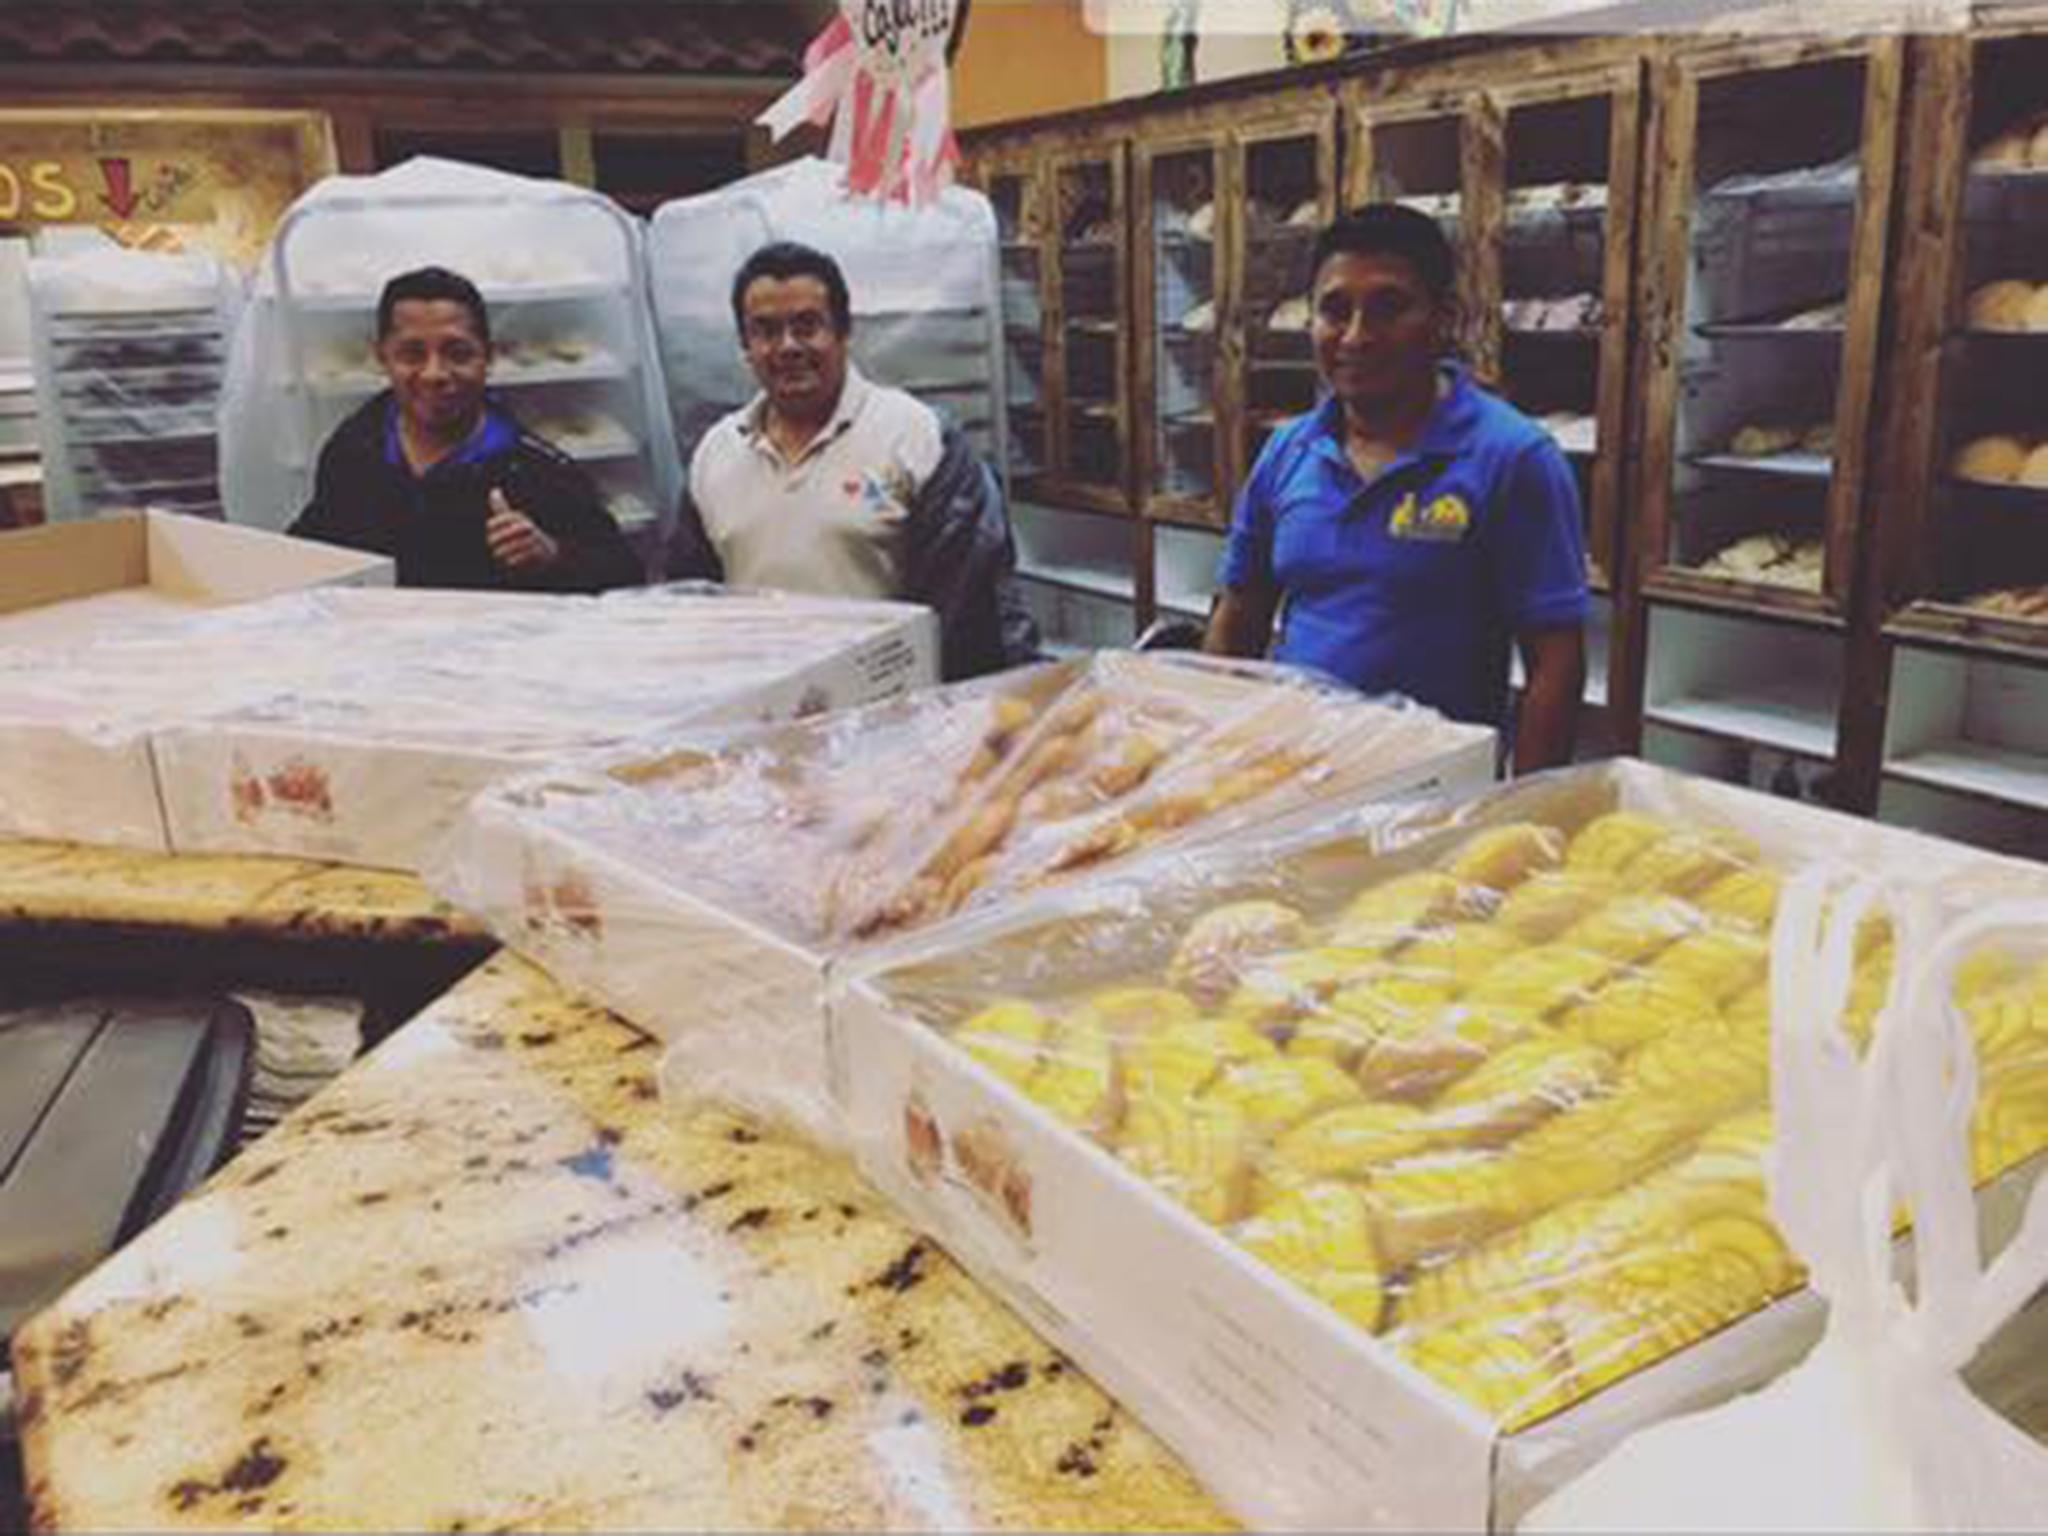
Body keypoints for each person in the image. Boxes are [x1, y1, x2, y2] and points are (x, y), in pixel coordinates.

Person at [1205, 206, 1589, 773]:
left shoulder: (1513, 457)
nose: (1357, 336)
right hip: (1295, 773)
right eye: (1335, 311)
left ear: (1445, 319)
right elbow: (1240, 615)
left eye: (1389, 308)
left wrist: (1525, 807)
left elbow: (1554, 660)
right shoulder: (1289, 450)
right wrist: (1211, 760)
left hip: (1435, 787)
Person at [667, 240, 1038, 682]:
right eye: (766, 330)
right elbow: (691, 606)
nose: (787, 347)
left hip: (890, 724)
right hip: (761, 718)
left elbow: (974, 614)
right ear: (746, 345)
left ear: (843, 332)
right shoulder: (716, 454)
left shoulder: (916, 438)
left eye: (807, 326)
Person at [289, 265, 641, 593]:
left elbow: (624, 573)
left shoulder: (536, 471)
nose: (435, 374)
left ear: (488, 357)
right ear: (383, 358)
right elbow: (312, 545)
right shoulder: (355, 451)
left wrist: (553, 556)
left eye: (458, 353)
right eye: (412, 354)